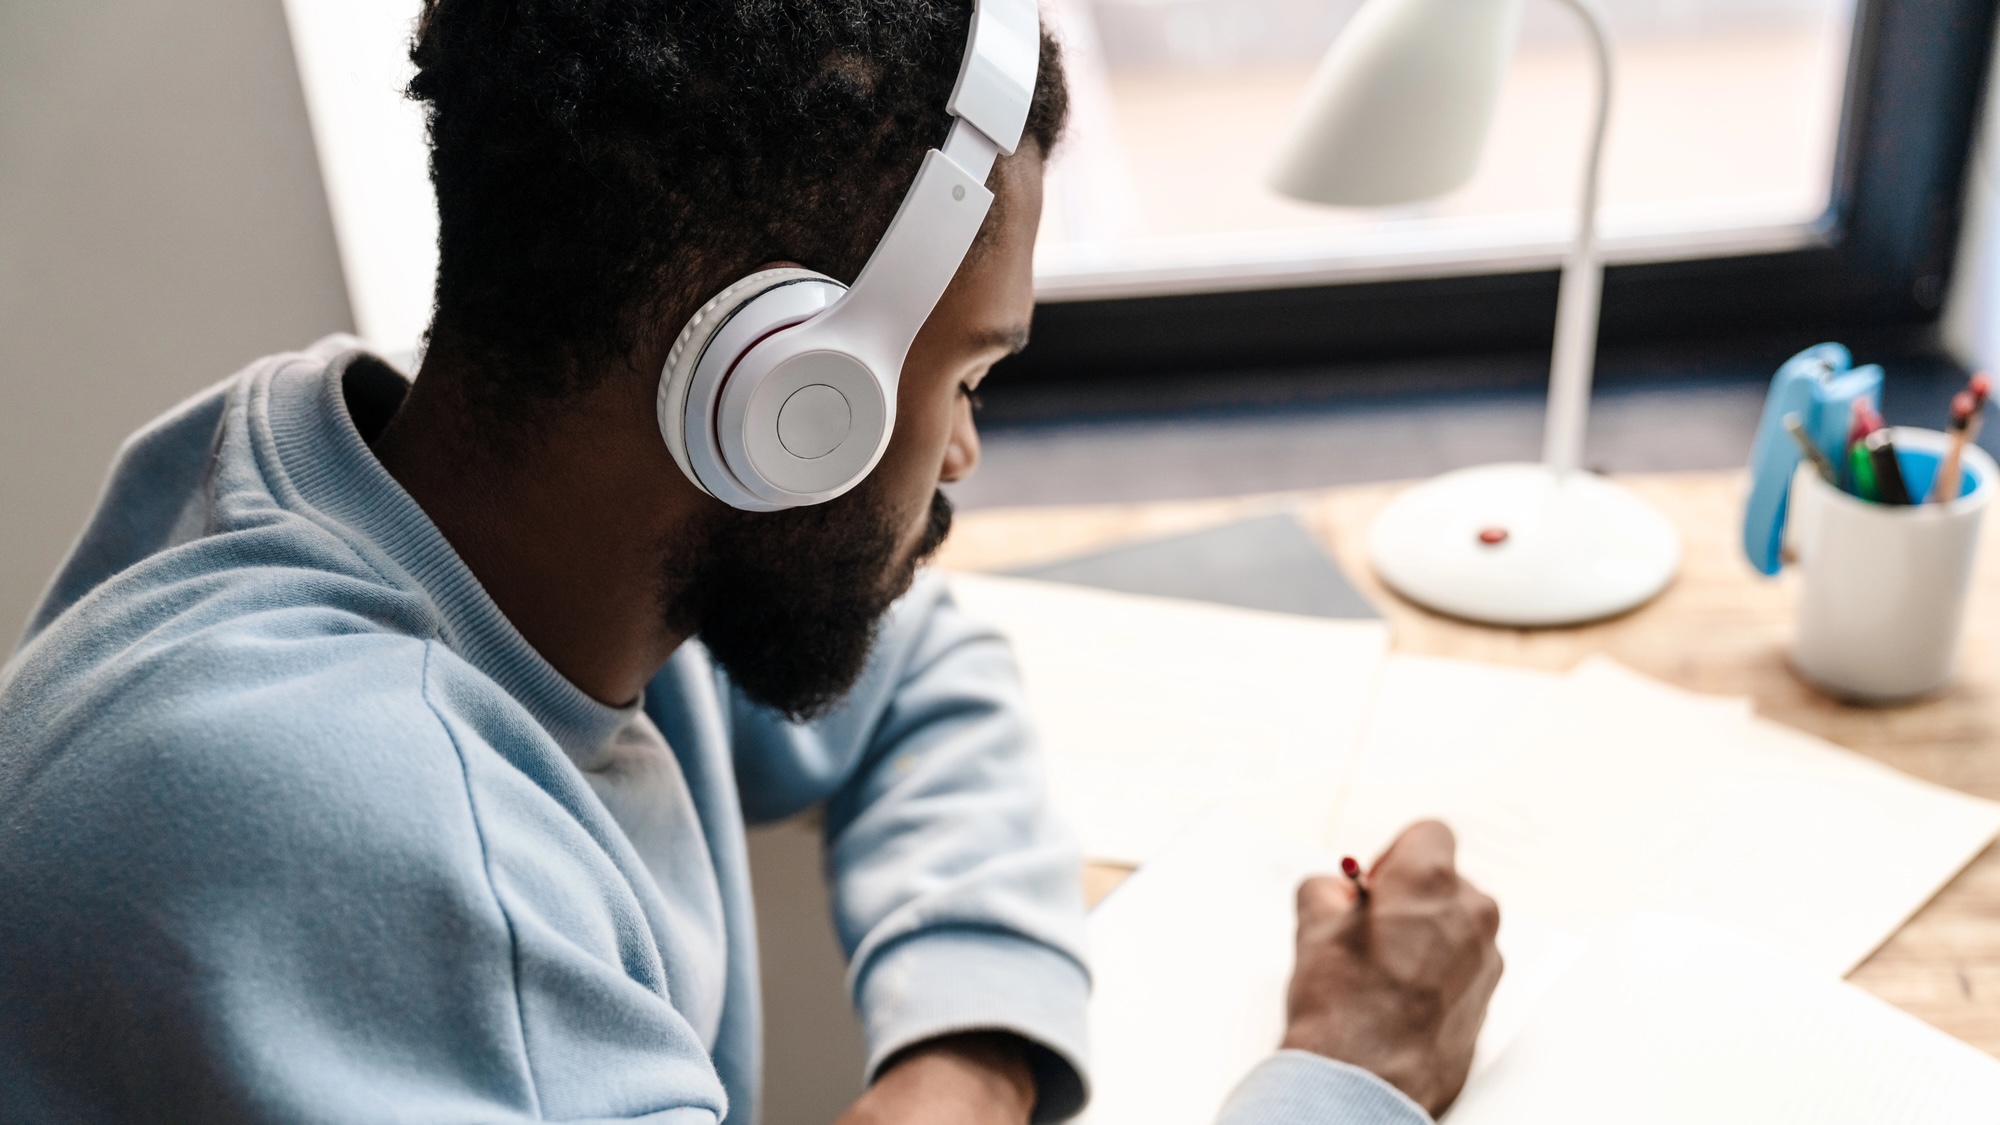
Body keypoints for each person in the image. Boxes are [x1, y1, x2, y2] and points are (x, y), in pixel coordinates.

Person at [0, 2, 1502, 1122]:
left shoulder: (426, 505)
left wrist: (959, 1062)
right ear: (785, 398)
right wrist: (1342, 1077)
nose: (967, 458)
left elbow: (930, 665)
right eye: (969, 377)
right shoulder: (355, 836)